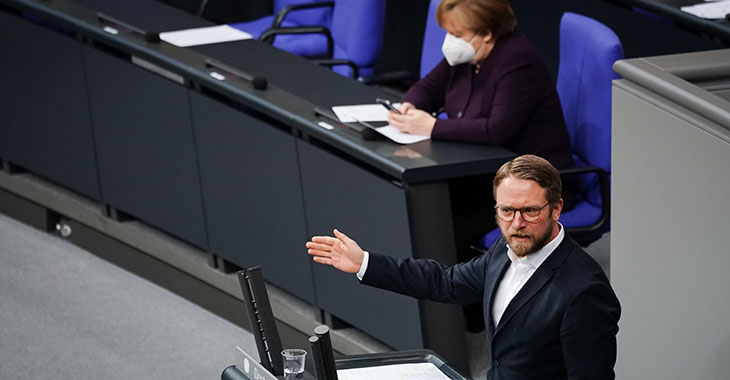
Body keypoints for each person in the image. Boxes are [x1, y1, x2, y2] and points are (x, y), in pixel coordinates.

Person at [305, 155, 620, 380]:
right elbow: (446, 281)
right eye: (506, 211)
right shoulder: (503, 247)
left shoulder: (584, 290)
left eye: (530, 211)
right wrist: (365, 263)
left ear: (557, 208)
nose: (517, 224)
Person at [387, 0, 574, 174]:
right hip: (480, 166)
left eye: (457, 35)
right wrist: (411, 105)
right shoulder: (467, 54)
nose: (450, 41)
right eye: (449, 33)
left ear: (486, 33)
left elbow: (497, 130)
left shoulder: (518, 61)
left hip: (530, 180)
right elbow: (427, 89)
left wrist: (432, 127)